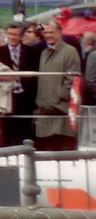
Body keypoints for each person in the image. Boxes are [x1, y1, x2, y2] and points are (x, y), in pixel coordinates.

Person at [0, 22, 41, 147]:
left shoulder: (31, 52)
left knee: (24, 134)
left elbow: (35, 77)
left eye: (15, 34)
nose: (12, 37)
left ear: (21, 36)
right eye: (10, 34)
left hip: (25, 100)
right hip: (6, 99)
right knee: (6, 135)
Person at [35, 17, 81, 151]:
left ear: (60, 32)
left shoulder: (70, 51)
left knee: (61, 150)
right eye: (46, 33)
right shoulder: (43, 53)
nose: (48, 35)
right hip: (44, 112)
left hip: (61, 112)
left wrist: (58, 97)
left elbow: (73, 79)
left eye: (51, 32)